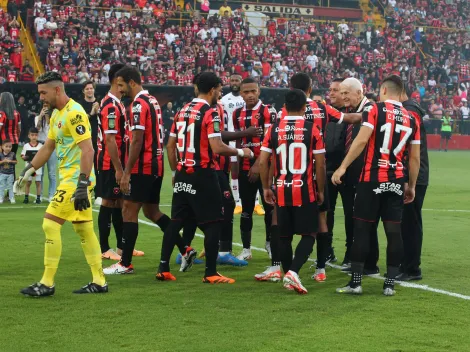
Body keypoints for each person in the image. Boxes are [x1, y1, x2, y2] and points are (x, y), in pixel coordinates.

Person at [155, 72, 253, 283]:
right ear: (212, 89)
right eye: (219, 89)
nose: (220, 93)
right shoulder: (210, 112)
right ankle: (210, 273)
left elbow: (170, 146)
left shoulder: (182, 110)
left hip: (182, 173)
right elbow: (217, 147)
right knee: (213, 222)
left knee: (176, 221)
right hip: (203, 173)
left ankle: (163, 268)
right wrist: (241, 153)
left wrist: (175, 171)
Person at [19, 71, 107, 297]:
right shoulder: (57, 115)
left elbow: (88, 150)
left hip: (75, 180)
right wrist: (29, 170)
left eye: (43, 92)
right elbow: (48, 147)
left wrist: (82, 184)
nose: (40, 97)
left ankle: (47, 283)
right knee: (84, 229)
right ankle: (99, 281)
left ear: (57, 90)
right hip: (72, 179)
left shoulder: (75, 113)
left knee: (50, 224)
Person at [332, 75, 421, 296]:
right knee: (393, 231)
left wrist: (343, 167)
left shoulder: (374, 110)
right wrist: (411, 185)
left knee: (362, 229)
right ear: (401, 93)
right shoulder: (413, 118)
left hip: (372, 178)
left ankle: (356, 283)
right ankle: (389, 284)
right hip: (397, 180)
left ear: (382, 91)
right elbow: (415, 158)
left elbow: (361, 140)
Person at [276, 73, 362, 282]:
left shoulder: (283, 112)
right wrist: (371, 112)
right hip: (316, 173)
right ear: (310, 87)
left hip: (288, 174)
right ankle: (321, 268)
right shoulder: (321, 107)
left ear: (290, 87)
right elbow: (350, 118)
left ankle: (282, 267)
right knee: (321, 222)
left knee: (280, 223)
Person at [103, 66, 171, 275]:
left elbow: (137, 140)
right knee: (152, 212)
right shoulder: (152, 101)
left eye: (122, 85)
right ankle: (185, 248)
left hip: (143, 166)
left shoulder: (138, 105)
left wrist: (126, 172)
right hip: (157, 166)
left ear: (132, 82)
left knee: (128, 211)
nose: (120, 90)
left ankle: (125, 263)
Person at [259, 89, 326, 294]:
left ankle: (289, 273)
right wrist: (321, 190)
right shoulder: (312, 129)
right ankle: (293, 272)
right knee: (309, 233)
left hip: (281, 189)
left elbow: (263, 160)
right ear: (305, 108)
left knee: (285, 236)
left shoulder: (273, 129)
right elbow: (320, 165)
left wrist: (265, 186)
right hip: (304, 189)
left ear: (285, 107)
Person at [337, 77, 380, 275]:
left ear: (359, 92)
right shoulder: (350, 110)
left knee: (365, 218)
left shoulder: (370, 109)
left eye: (347, 93)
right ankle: (355, 258)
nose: (343, 97)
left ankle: (369, 262)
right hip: (349, 174)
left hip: (364, 173)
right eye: (341, 93)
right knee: (351, 217)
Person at [233, 77, 278, 261]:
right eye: (246, 92)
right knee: (246, 208)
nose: (250, 95)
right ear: (241, 93)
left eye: (253, 91)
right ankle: (246, 249)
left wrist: (258, 165)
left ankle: (269, 244)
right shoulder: (236, 114)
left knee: (269, 208)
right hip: (244, 167)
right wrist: (235, 165)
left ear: (259, 91)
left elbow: (270, 141)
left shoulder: (268, 111)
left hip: (264, 168)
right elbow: (237, 141)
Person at [95, 63, 134, 262]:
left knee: (119, 202)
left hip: (117, 162)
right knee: (109, 201)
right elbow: (110, 139)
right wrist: (119, 169)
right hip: (109, 163)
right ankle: (103, 247)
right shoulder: (110, 105)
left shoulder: (117, 103)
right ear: (116, 81)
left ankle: (122, 246)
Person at [397, 89, 429, 281]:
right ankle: (405, 264)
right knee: (405, 222)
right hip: (412, 174)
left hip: (414, 176)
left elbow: (411, 150)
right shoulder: (410, 109)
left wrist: (410, 181)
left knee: (410, 223)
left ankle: (412, 268)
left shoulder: (410, 111)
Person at [79, 81, 100, 181]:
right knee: (84, 169)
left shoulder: (99, 103)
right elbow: (80, 121)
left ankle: (98, 194)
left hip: (98, 140)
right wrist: (92, 113)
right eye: (87, 89)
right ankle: (82, 191)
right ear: (83, 91)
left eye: (91, 88)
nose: (89, 90)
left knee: (98, 169)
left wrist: (99, 112)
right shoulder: (79, 105)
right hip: (84, 139)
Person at [35, 106, 57, 201]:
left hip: (52, 145)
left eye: (47, 108)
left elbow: (53, 129)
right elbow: (37, 129)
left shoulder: (55, 118)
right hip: (41, 145)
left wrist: (48, 116)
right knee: (40, 172)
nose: (45, 109)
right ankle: (40, 195)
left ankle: (51, 194)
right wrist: (40, 116)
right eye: (43, 108)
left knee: (52, 173)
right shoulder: (37, 117)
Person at [21, 127, 43, 204]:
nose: (34, 137)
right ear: (29, 136)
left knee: (38, 182)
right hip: (29, 167)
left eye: (36, 135)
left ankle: (38, 198)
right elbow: (22, 155)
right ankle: (26, 198)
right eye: (32, 135)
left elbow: (43, 156)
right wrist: (24, 157)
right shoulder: (26, 146)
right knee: (28, 182)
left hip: (38, 167)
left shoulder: (40, 146)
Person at [0, 139, 17, 203]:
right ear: (2, 147)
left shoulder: (12, 154)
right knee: (2, 186)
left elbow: (16, 161)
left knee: (10, 186)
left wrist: (10, 161)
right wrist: (3, 161)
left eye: (10, 147)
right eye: (6, 146)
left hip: (10, 173)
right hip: (2, 173)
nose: (8, 148)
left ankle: (11, 198)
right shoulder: (1, 155)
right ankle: (1, 197)